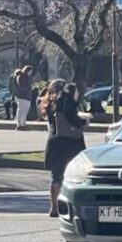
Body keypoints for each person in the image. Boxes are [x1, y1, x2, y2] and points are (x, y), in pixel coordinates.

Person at [42, 80, 89, 218]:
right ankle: (73, 207)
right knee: (75, 174)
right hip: (69, 142)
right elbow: (72, 118)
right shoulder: (66, 100)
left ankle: (54, 207)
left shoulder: (50, 103)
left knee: (56, 176)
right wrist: (84, 121)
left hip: (54, 141)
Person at [15, 66, 34, 131]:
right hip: (22, 96)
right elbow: (21, 86)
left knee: (25, 111)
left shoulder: (27, 77)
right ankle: (19, 124)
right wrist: (29, 87)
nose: (31, 73)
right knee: (21, 110)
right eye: (30, 71)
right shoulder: (22, 76)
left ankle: (23, 124)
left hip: (27, 96)